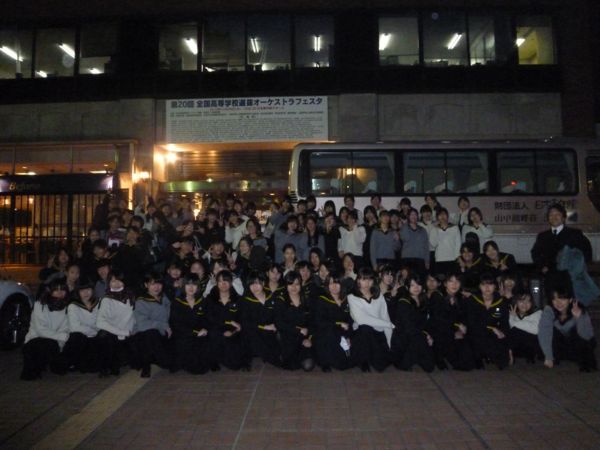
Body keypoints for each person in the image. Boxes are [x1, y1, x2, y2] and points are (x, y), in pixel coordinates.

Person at [531, 203, 593, 301]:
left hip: (570, 277)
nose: (554, 217)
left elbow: (586, 252)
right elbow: (535, 253)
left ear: (564, 218)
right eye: (551, 215)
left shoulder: (575, 234)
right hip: (550, 275)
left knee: (571, 301)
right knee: (552, 301)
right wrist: (542, 266)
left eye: (557, 214)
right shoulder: (543, 236)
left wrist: (579, 268)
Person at [538, 284, 597, 372]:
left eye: (562, 299)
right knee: (550, 335)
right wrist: (548, 357)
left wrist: (579, 319)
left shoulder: (579, 309)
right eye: (554, 299)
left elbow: (587, 336)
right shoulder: (549, 310)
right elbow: (544, 333)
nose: (558, 303)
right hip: (561, 344)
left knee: (582, 340)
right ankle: (556, 356)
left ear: (570, 300)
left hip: (577, 344)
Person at [21, 280, 70, 380]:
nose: (60, 292)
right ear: (50, 291)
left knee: (60, 365)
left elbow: (65, 328)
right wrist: (62, 337)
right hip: (35, 339)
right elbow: (40, 330)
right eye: (56, 290)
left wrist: (61, 342)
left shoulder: (67, 307)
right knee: (40, 347)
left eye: (62, 289)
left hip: (55, 342)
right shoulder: (39, 305)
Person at [347, 267, 394, 372]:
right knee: (365, 328)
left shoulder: (379, 296)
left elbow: (385, 317)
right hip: (361, 334)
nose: (367, 283)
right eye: (364, 279)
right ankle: (363, 361)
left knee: (382, 365)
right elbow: (361, 319)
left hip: (377, 332)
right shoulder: (352, 297)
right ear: (358, 280)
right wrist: (387, 324)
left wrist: (389, 343)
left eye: (370, 279)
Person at [427, 272, 474, 371]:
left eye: (457, 281)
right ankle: (438, 357)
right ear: (445, 284)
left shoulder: (460, 297)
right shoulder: (437, 295)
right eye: (451, 281)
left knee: (467, 365)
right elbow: (438, 318)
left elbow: (464, 317)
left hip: (453, 331)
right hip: (439, 332)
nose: (454, 284)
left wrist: (460, 329)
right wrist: (456, 327)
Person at [390, 274, 435, 372]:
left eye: (418, 285)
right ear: (407, 287)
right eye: (412, 285)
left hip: (417, 336)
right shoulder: (403, 302)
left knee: (430, 364)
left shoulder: (423, 301)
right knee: (428, 365)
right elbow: (408, 328)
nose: (416, 288)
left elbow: (426, 323)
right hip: (404, 340)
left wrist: (428, 334)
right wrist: (425, 335)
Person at [465, 273, 510, 370]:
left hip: (493, 334)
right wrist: (491, 328)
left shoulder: (501, 301)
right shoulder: (472, 300)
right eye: (483, 284)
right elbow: (472, 322)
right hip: (476, 333)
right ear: (479, 286)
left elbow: (504, 321)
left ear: (495, 286)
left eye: (490, 284)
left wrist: (502, 332)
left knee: (503, 363)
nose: (487, 287)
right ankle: (480, 356)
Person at [96, 270, 136, 377]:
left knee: (136, 363)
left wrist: (132, 331)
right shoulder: (106, 299)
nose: (116, 283)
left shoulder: (131, 296)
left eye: (119, 280)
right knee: (104, 336)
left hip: (129, 334)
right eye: (113, 281)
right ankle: (105, 367)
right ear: (108, 283)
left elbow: (135, 317)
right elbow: (100, 322)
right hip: (113, 334)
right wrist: (122, 332)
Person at [170, 274, 211, 374]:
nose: (191, 287)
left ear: (198, 287)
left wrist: (205, 328)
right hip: (183, 335)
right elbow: (176, 323)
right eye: (188, 284)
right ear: (184, 286)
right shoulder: (177, 302)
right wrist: (193, 333)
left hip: (200, 334)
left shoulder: (203, 301)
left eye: (194, 284)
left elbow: (207, 319)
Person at [132, 272, 172, 377]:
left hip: (162, 333)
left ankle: (157, 358)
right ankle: (146, 366)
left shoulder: (164, 297)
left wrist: (167, 327)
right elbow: (142, 324)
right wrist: (163, 326)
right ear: (146, 285)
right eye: (153, 284)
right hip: (144, 336)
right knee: (150, 333)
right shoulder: (141, 301)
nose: (157, 287)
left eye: (159, 283)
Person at [274, 271, 315, 371]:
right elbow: (279, 323)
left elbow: (312, 321)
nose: (294, 287)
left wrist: (309, 338)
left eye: (297, 284)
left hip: (304, 336)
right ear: (286, 285)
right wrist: (298, 330)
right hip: (288, 336)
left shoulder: (306, 299)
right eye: (290, 284)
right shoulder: (281, 300)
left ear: (301, 285)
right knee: (291, 366)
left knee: (308, 366)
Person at [313, 272, 354, 371]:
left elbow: (350, 320)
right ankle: (325, 362)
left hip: (342, 333)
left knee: (345, 364)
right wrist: (338, 324)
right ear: (327, 285)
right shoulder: (322, 299)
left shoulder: (347, 299)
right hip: (327, 333)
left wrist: (348, 335)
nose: (334, 286)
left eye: (337, 283)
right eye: (331, 283)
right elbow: (319, 321)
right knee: (329, 333)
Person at [239, 271, 281, 367]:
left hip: (270, 330)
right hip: (254, 330)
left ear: (263, 283)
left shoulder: (271, 297)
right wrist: (263, 327)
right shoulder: (245, 300)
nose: (255, 287)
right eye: (252, 284)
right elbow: (245, 322)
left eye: (257, 283)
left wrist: (275, 325)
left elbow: (278, 315)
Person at [206, 270, 246, 371]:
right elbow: (210, 318)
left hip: (233, 331)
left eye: (226, 281)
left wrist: (234, 331)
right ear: (216, 283)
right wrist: (225, 325)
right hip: (216, 330)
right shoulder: (210, 299)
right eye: (220, 281)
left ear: (231, 283)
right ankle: (214, 359)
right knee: (213, 334)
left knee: (235, 365)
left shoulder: (238, 299)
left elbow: (242, 318)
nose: (223, 284)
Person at [63, 278, 100, 373]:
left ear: (93, 290)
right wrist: (93, 331)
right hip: (82, 339)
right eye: (82, 290)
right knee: (76, 336)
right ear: (77, 291)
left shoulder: (99, 303)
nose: (86, 293)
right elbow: (74, 327)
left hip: (95, 337)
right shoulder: (73, 306)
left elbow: (103, 322)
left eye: (88, 289)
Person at [507, 293, 542, 365]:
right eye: (521, 301)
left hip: (531, 345)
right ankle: (509, 353)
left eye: (528, 301)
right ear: (516, 302)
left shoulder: (537, 313)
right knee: (513, 331)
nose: (525, 304)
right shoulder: (511, 313)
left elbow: (535, 330)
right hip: (516, 347)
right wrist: (512, 317)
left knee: (517, 330)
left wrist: (513, 320)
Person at [429, 208, 461, 276]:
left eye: (444, 214)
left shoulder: (454, 228)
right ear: (437, 217)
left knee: (452, 278)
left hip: (452, 259)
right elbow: (433, 244)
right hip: (439, 259)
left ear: (447, 216)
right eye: (440, 215)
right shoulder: (434, 229)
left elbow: (458, 244)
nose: (442, 216)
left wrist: (457, 257)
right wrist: (435, 229)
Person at [399, 208, 430, 279]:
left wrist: (427, 260)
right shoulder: (404, 227)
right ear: (408, 216)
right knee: (407, 279)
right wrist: (405, 225)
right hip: (407, 258)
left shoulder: (422, 230)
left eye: (415, 214)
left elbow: (426, 246)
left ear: (418, 216)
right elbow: (405, 238)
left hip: (420, 259)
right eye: (411, 214)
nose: (413, 216)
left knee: (420, 279)